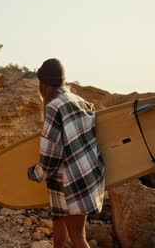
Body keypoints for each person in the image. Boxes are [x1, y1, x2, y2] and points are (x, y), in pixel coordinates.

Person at [27, 58, 105, 248]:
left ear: (43, 84)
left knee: (78, 237)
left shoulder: (54, 106)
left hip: (68, 182)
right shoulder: (83, 103)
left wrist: (36, 173)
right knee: (58, 222)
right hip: (85, 175)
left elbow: (51, 153)